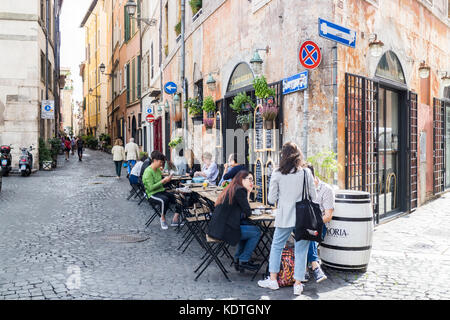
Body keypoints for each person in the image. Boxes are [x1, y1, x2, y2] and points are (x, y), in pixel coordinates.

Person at [257, 142, 317, 296]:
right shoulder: (305, 173)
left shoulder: (277, 173)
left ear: (282, 155)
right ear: (298, 155)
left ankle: (273, 280)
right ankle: (297, 283)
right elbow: (313, 197)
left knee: (277, 246)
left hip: (284, 216)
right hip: (303, 217)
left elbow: (271, 198)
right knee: (301, 250)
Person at [208, 171, 261, 271]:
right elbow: (248, 212)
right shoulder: (240, 190)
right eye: (249, 179)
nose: (252, 182)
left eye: (253, 180)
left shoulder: (232, 188)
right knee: (256, 231)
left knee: (246, 225)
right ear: (241, 180)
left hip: (216, 228)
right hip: (223, 231)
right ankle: (244, 260)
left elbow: (243, 211)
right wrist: (249, 192)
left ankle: (238, 259)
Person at [304, 164, 334, 283]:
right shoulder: (302, 190)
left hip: (320, 227)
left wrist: (313, 221)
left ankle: (306, 268)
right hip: (302, 225)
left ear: (312, 176)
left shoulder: (326, 190)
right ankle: (315, 266)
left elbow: (328, 216)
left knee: (308, 230)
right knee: (305, 229)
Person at [142, 151, 181, 230]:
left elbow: (161, 184)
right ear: (155, 160)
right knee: (164, 200)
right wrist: (163, 181)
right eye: (160, 162)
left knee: (179, 197)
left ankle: (175, 219)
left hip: (161, 191)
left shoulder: (158, 170)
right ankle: (162, 219)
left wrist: (167, 180)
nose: (161, 164)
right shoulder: (148, 172)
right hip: (152, 194)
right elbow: (150, 188)